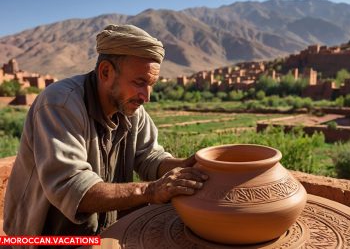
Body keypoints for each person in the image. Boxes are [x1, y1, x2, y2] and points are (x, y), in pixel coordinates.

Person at [3, 24, 208, 236]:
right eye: (140, 82)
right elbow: (73, 187)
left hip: (96, 234)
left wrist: (188, 167)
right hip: (43, 239)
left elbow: (150, 157)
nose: (146, 96)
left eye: (151, 84)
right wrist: (151, 191)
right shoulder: (60, 104)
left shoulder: (130, 109)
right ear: (106, 72)